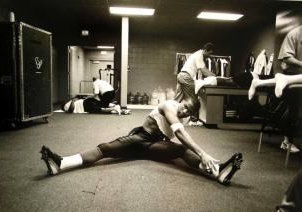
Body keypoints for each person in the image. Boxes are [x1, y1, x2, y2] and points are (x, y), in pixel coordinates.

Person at [41, 98, 243, 185]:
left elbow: (179, 138)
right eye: (184, 108)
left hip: (155, 146)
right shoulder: (168, 106)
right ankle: (61, 163)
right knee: (105, 149)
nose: (184, 113)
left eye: (189, 112)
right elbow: (180, 133)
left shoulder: (185, 115)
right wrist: (203, 152)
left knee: (180, 151)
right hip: (139, 139)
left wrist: (200, 154)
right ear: (180, 102)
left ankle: (219, 173)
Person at [248, 25, 302, 153]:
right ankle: (287, 141)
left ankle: (259, 82)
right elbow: (286, 57)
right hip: (291, 73)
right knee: (293, 107)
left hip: (294, 78)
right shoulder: (294, 34)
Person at [174, 42, 216, 126]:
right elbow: (204, 70)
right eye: (209, 53)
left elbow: (202, 70)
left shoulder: (197, 54)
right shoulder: (199, 55)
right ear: (205, 50)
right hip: (186, 77)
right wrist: (215, 76)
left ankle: (170, 115)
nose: (209, 56)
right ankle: (193, 120)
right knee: (194, 100)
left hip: (181, 75)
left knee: (177, 99)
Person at [61, 96, 130, 115]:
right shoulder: (66, 106)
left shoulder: (70, 102)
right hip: (85, 106)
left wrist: (75, 99)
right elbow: (71, 110)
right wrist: (73, 100)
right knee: (99, 108)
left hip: (86, 102)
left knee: (99, 105)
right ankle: (115, 108)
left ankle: (114, 107)